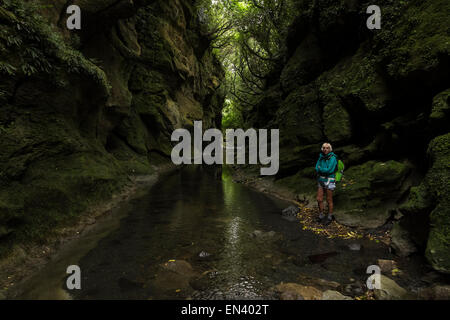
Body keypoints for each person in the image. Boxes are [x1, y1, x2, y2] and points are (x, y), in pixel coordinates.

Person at [315, 142, 337, 226]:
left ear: (330, 149)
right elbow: (316, 168)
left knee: (329, 199)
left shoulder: (333, 158)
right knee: (319, 199)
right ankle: (321, 215)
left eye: (327, 148)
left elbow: (329, 170)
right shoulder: (320, 157)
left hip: (330, 180)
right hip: (321, 180)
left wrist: (321, 169)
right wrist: (321, 169)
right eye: (324, 148)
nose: (325, 149)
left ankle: (329, 216)